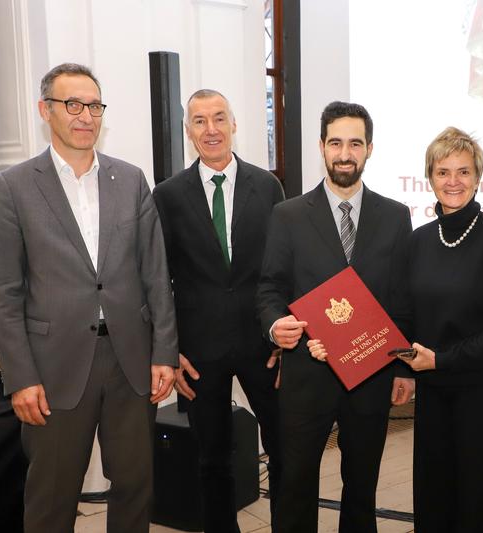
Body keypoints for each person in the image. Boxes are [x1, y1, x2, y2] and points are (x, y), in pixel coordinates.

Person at [0, 62, 178, 532]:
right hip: (53, 367)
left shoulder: (131, 179)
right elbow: (5, 293)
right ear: (45, 110)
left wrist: (164, 353)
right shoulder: (14, 187)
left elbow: (155, 273)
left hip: (130, 360)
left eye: (94, 105)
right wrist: (21, 377)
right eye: (72, 104)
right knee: (52, 497)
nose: (85, 116)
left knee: (136, 486)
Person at [256, 101, 415, 533]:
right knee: (296, 484)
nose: (346, 153)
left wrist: (403, 366)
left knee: (362, 486)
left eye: (355, 143)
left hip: (372, 372)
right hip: (309, 371)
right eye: (337, 143)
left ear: (369, 149)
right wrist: (277, 326)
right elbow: (269, 288)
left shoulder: (396, 217)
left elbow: (402, 300)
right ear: (322, 147)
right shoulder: (287, 215)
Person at [152, 89, 284, 532]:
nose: (211, 129)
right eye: (200, 121)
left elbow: (283, 268)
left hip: (263, 344)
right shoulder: (167, 196)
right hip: (199, 350)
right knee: (211, 459)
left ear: (233, 124)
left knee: (286, 451)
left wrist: (287, 341)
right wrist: (169, 349)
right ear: (189, 131)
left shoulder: (268, 186)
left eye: (219, 118)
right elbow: (158, 278)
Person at [396, 126, 483, 532]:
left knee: (481, 500)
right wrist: (404, 368)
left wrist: (443, 359)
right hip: (435, 394)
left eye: (463, 171)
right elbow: (405, 315)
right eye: (442, 172)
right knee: (436, 497)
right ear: (430, 177)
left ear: (478, 176)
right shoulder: (418, 242)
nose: (452, 181)